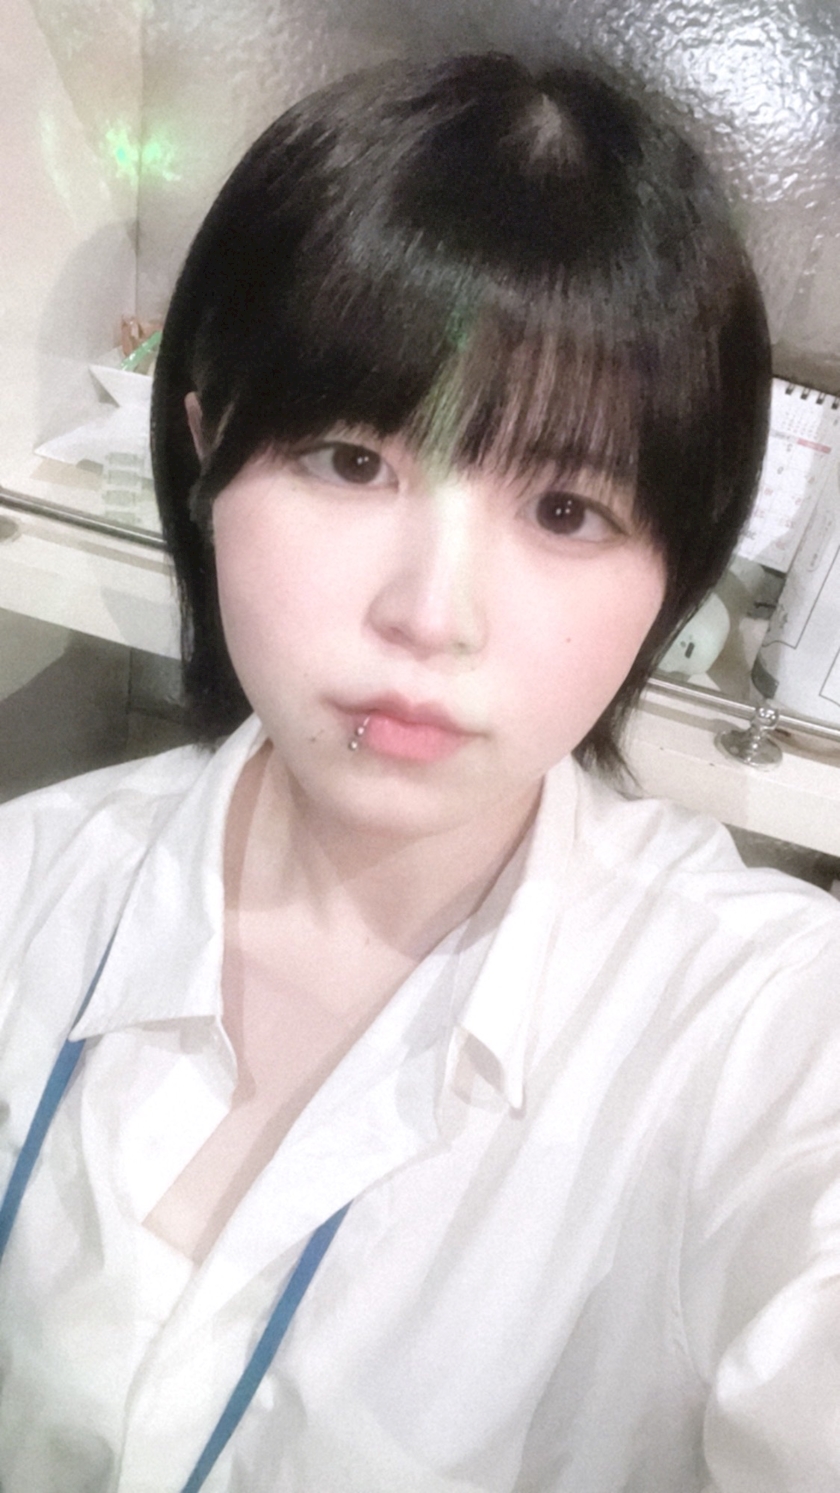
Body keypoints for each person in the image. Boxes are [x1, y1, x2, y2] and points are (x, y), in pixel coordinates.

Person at [1, 51, 839, 1493]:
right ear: (205, 453)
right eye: (348, 460)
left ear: (678, 565)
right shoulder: (29, 888)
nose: (430, 615)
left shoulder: (760, 1029)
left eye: (565, 509)